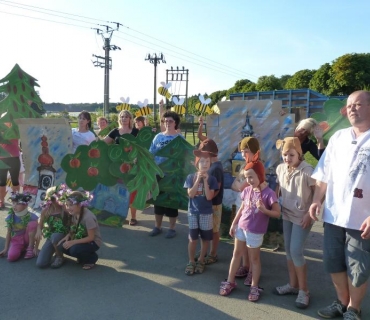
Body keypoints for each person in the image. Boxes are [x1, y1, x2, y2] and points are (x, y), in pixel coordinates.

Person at [309, 90, 370, 320]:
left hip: (361, 219)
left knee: (358, 268)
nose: (352, 108)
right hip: (334, 216)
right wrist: (316, 200)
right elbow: (324, 174)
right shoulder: (338, 138)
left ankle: (354, 309)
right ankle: (342, 304)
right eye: (350, 105)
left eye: (358, 104)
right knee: (333, 262)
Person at [219, 154, 280, 302]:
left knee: (254, 259)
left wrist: (264, 210)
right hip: (241, 228)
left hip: (255, 232)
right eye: (247, 177)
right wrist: (234, 223)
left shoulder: (268, 194)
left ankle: (254, 286)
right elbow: (242, 209)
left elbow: (277, 213)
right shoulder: (247, 190)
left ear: (260, 175)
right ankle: (230, 281)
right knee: (236, 255)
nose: (248, 181)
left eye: (251, 177)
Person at [274, 137, 315, 309]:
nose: (287, 158)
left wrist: (309, 214)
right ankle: (293, 285)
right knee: (289, 251)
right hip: (287, 213)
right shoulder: (281, 168)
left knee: (296, 250)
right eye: (284, 154)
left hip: (303, 216)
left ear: (299, 153)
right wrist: (275, 200)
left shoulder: (308, 170)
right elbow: (278, 188)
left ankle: (304, 291)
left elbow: (318, 194)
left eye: (291, 155)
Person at [148, 110, 183, 238]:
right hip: (158, 175)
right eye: (165, 120)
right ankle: (157, 227)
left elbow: (184, 156)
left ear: (175, 123)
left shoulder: (179, 138)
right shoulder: (158, 137)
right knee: (158, 202)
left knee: (172, 203)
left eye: (170, 121)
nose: (168, 123)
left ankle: (172, 228)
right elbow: (151, 153)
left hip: (173, 176)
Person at [230, 137, 261, 281]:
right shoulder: (244, 166)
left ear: (254, 151)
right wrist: (239, 185)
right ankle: (245, 266)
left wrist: (240, 185)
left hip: (251, 211)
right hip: (241, 207)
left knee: (251, 244)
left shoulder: (256, 167)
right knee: (241, 240)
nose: (243, 155)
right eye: (242, 152)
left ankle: (252, 273)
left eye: (246, 151)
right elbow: (234, 185)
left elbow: (241, 186)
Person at [184, 153, 219, 275]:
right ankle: (191, 261)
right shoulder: (190, 177)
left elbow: (209, 197)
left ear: (210, 163)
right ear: (196, 164)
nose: (205, 164)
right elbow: (191, 194)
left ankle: (201, 260)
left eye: (207, 162)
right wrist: (198, 179)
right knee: (193, 239)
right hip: (193, 213)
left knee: (205, 239)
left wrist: (205, 181)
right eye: (202, 162)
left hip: (206, 213)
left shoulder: (212, 179)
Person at [193, 139, 224, 265]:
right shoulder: (212, 165)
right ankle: (204, 251)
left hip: (214, 204)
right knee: (206, 229)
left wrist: (208, 198)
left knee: (214, 230)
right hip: (208, 203)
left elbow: (217, 188)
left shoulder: (216, 168)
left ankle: (213, 253)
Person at [58, 190, 102, 270]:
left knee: (74, 250)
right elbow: (74, 227)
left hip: (93, 242)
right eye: (67, 205)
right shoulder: (74, 213)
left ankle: (91, 258)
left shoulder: (88, 217)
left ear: (80, 205)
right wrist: (68, 236)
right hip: (80, 238)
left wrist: (72, 242)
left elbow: (91, 238)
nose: (68, 208)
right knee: (61, 246)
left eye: (71, 205)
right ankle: (82, 255)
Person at [35, 185, 70, 268]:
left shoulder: (66, 209)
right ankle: (55, 250)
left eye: (58, 198)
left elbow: (73, 223)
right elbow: (40, 225)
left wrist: (66, 210)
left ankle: (59, 256)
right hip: (52, 236)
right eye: (53, 199)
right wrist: (39, 230)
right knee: (41, 263)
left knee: (55, 236)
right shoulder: (46, 210)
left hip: (65, 235)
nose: (56, 201)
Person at [0, 192, 38, 261]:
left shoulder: (31, 216)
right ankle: (22, 248)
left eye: (18, 204)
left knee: (33, 224)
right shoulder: (10, 217)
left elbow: (39, 231)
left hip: (27, 239)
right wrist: (6, 249)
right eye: (13, 203)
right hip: (16, 240)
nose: (14, 206)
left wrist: (36, 247)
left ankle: (30, 248)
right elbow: (8, 232)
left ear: (25, 205)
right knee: (11, 257)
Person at [0, 139, 21, 209]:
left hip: (14, 157)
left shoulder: (16, 128)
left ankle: (16, 201)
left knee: (15, 181)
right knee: (2, 182)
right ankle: (1, 201)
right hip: (2, 158)